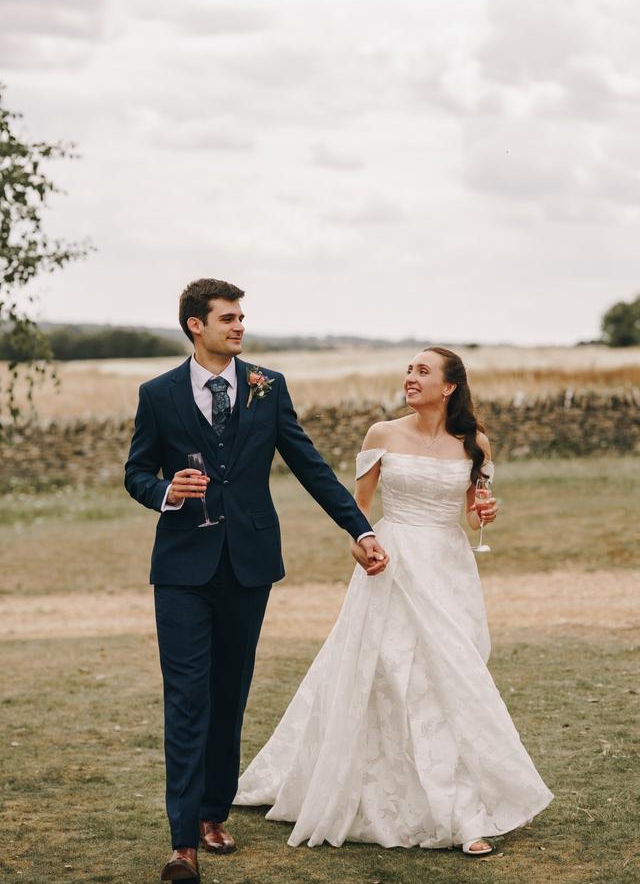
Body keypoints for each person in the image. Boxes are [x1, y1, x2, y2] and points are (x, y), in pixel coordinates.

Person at [234, 347, 553, 855]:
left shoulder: (475, 444)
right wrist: (360, 547)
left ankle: (460, 810)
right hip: (392, 562)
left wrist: (486, 509)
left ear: (448, 387)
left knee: (449, 681)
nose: (410, 377)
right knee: (386, 672)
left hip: (448, 571)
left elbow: (475, 517)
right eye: (408, 369)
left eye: (422, 371)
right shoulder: (382, 435)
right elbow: (356, 510)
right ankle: (405, 800)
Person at [124, 278, 389, 883]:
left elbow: (311, 466)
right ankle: (182, 842)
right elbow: (137, 472)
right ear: (196, 325)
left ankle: (215, 812)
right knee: (187, 696)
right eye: (227, 318)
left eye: (242, 317)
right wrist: (164, 491)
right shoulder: (158, 394)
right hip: (182, 570)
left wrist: (361, 529)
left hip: (249, 565)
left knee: (230, 691)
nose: (239, 326)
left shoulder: (268, 388)